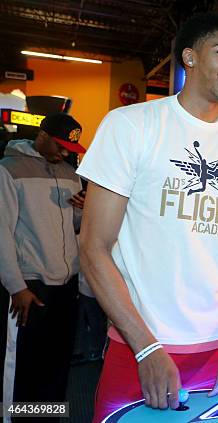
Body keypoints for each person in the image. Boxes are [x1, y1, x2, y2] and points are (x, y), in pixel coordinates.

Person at [76, 12, 218, 421]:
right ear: (189, 57)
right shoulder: (131, 126)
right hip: (140, 347)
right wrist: (145, 348)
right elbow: (94, 247)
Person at [0, 112, 86, 416]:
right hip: (30, 286)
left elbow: (72, 227)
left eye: (69, 149)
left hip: (66, 286)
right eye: (60, 146)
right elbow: (2, 234)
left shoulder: (69, 173)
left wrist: (82, 210)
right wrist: (16, 287)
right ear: (43, 135)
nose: (64, 154)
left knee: (57, 364)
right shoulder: (9, 170)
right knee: (25, 365)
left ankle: (48, 418)